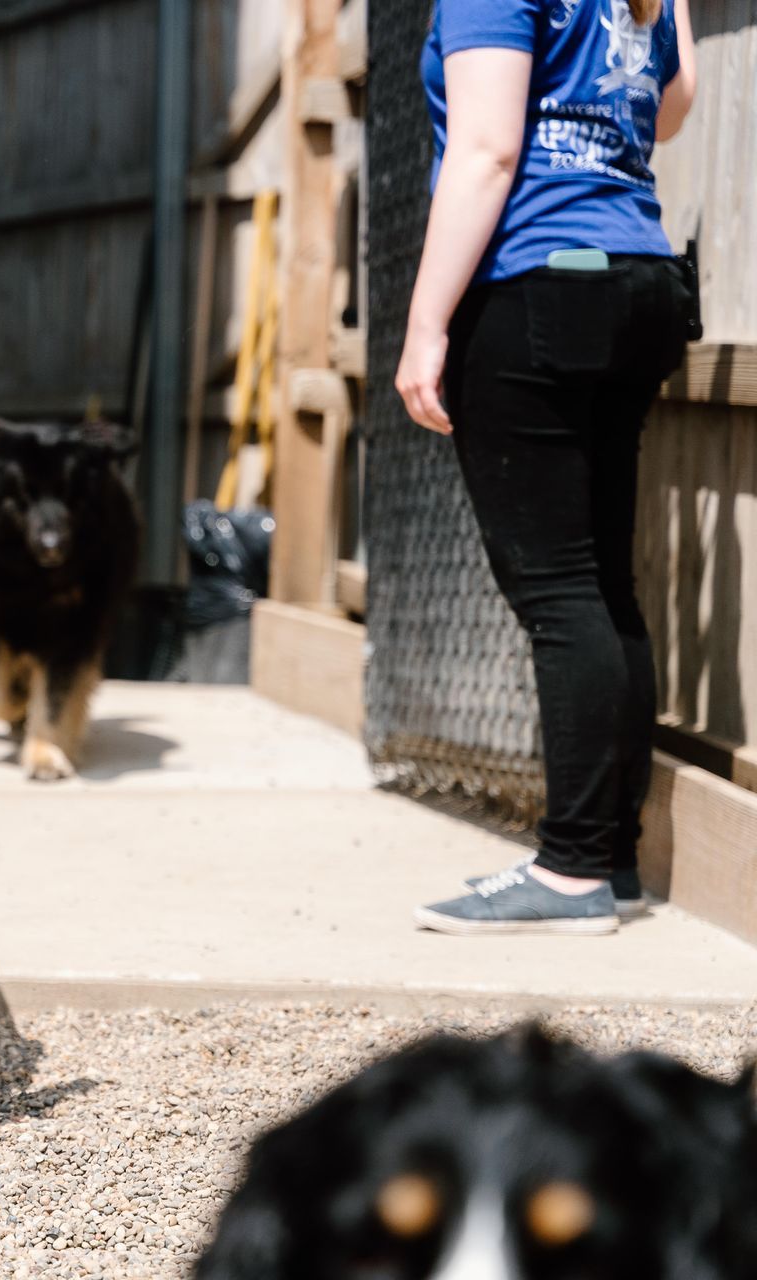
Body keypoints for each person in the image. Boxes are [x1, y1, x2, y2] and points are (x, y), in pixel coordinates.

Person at [396, 0, 698, 936]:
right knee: (605, 585)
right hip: (638, 271)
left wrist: (425, 323)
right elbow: (674, 102)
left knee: (560, 590)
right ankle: (610, 860)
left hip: (539, 277)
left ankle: (569, 874)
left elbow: (486, 151)